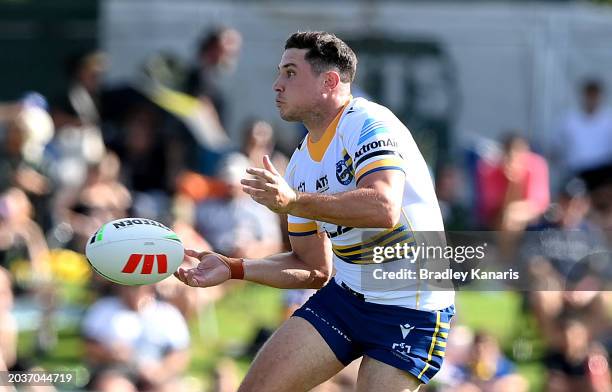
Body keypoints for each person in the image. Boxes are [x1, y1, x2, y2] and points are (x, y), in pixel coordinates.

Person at [175, 31, 454, 392]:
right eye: (279, 73)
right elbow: (313, 268)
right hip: (346, 298)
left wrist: (294, 201)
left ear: (330, 81)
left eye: (290, 73)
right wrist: (233, 268)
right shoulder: (301, 163)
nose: (276, 85)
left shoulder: (367, 122)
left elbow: (384, 206)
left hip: (412, 308)